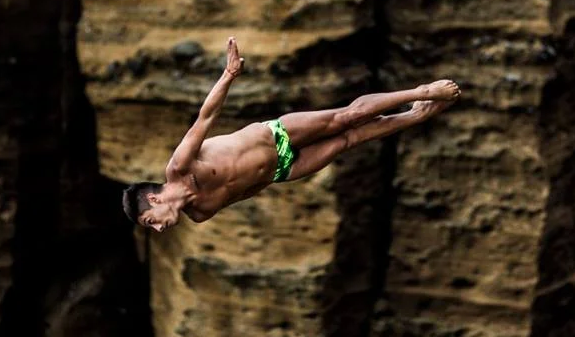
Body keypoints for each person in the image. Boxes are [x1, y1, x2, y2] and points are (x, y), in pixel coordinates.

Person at [122, 37, 460, 232]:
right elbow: (242, 192)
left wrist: (228, 75)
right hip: (282, 171)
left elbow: (205, 117)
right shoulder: (199, 213)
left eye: (151, 221)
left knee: (347, 118)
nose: (158, 228)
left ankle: (421, 92)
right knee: (348, 140)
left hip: (274, 136)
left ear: (154, 199)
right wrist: (268, 177)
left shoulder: (180, 166)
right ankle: (414, 116)